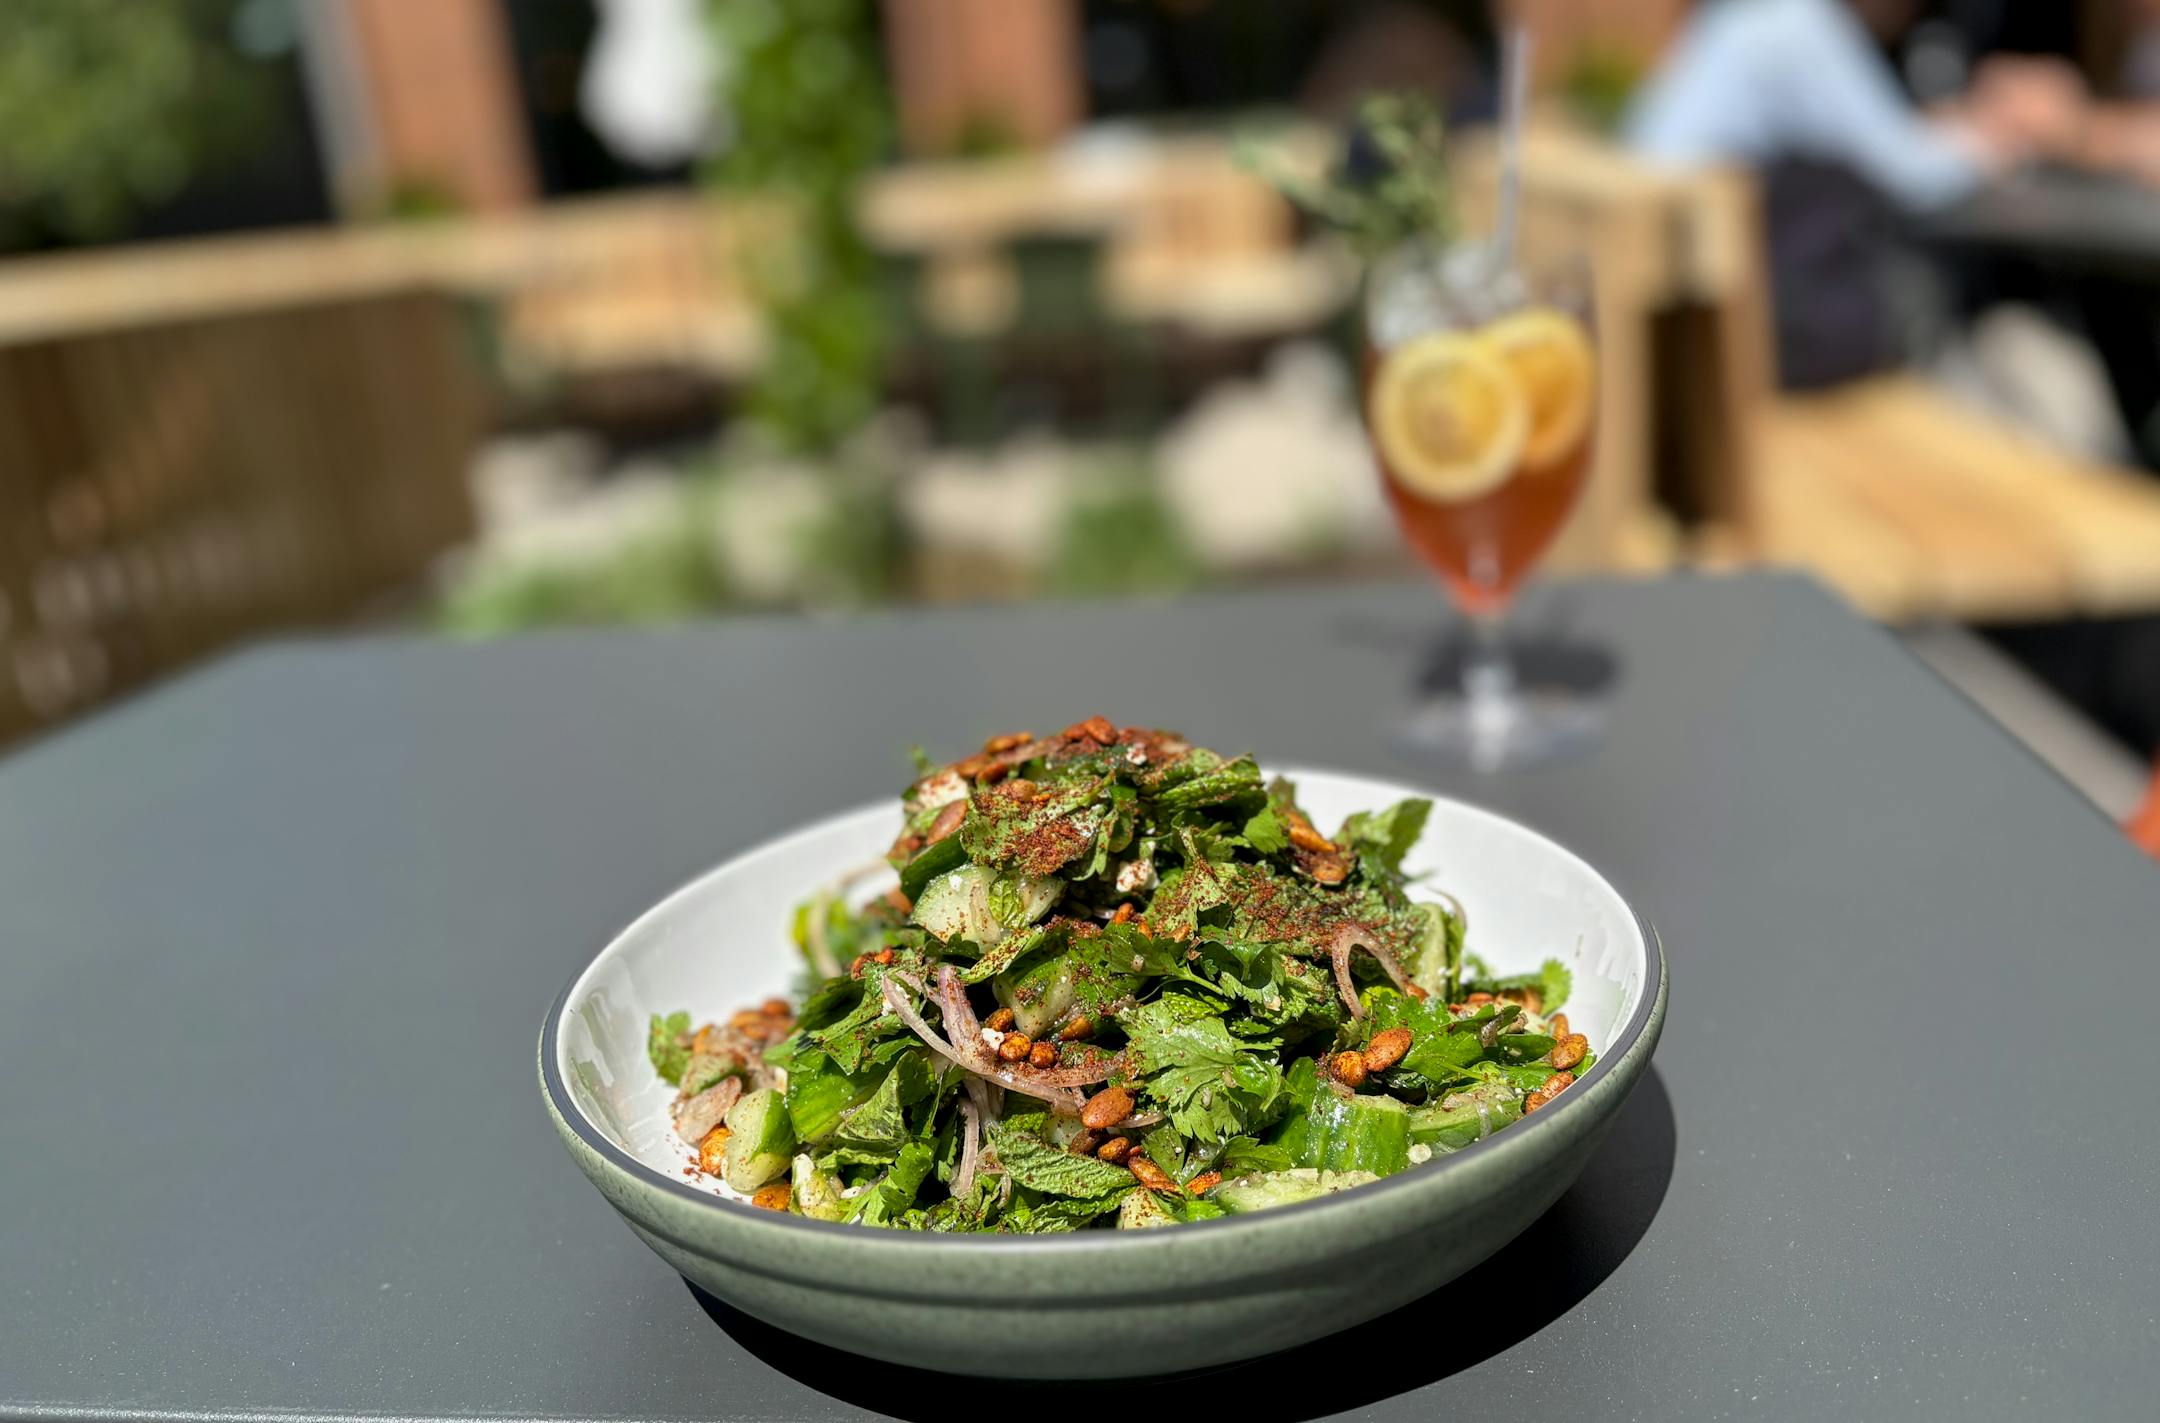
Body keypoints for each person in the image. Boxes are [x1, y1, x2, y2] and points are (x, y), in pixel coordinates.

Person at [1626, 0, 2079, 214]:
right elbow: (1906, 174)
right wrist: (1999, 141)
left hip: (1664, 238)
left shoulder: (1759, 16)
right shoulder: (1799, 29)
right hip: (1688, 267)